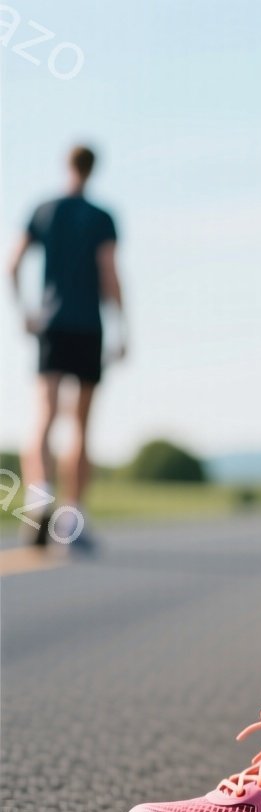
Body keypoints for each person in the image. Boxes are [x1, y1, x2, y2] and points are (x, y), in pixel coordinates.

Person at [8, 144, 126, 549]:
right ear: (93, 170)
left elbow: (12, 263)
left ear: (67, 165)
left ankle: (40, 499)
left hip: (52, 324)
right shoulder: (101, 217)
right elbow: (109, 272)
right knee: (81, 424)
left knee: (45, 413)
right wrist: (123, 326)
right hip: (88, 327)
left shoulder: (45, 210)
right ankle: (73, 518)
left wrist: (23, 311)